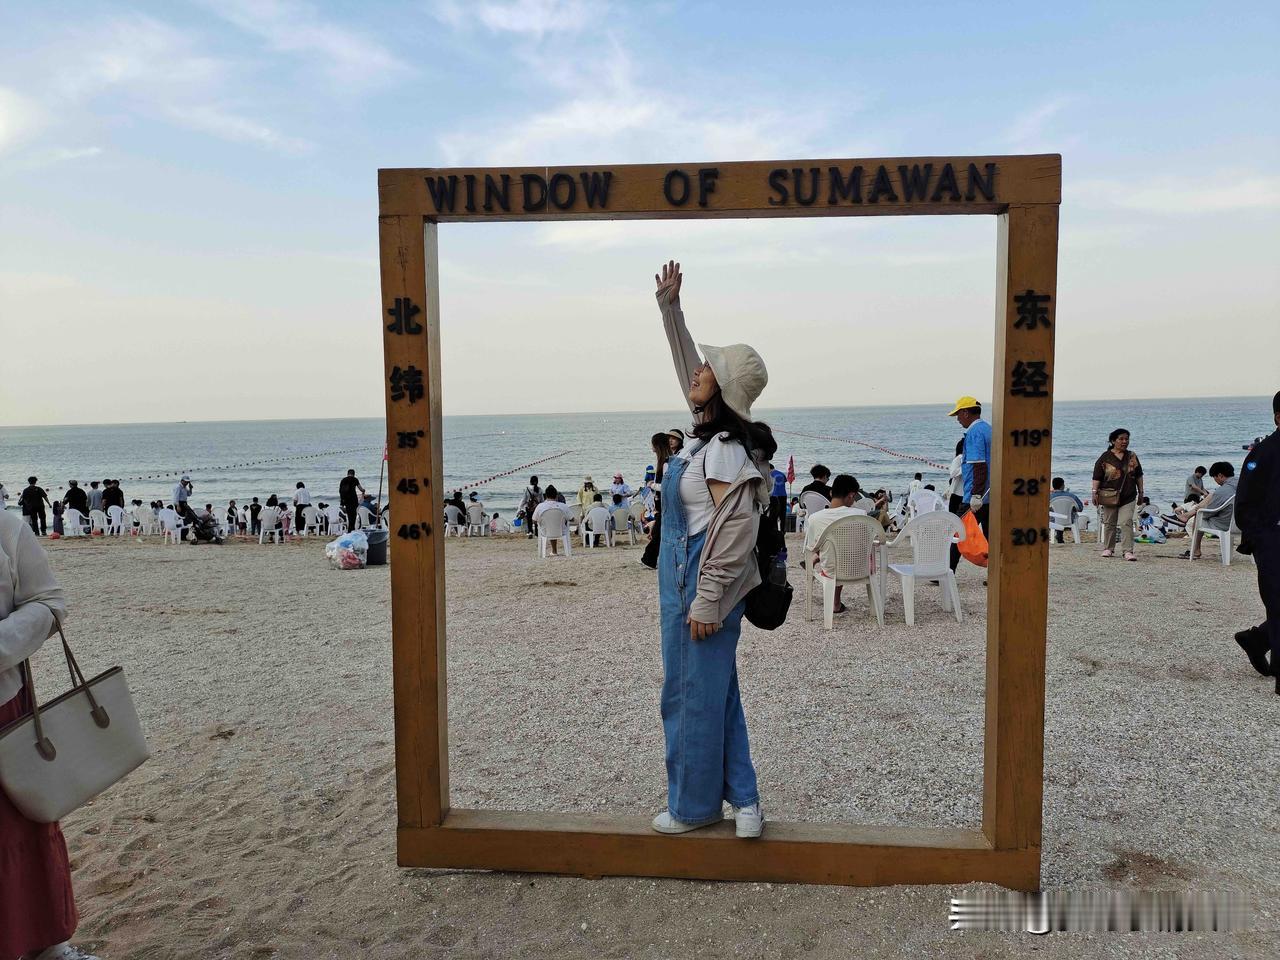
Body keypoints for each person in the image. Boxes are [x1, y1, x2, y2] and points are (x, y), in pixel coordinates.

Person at [652, 258, 770, 839]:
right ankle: (745, 801)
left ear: (722, 389)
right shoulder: (708, 438)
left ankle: (692, 809)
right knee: (714, 692)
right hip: (689, 581)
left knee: (687, 697)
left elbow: (737, 527)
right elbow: (686, 368)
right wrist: (671, 310)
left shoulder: (723, 448)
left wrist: (707, 598)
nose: (698, 370)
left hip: (698, 583)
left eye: (709, 369)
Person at [1, 508, 103, 960]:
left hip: (4, 713)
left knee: (22, 827)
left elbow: (49, 602)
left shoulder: (5, 528)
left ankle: (48, 947)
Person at [1232, 390, 1280, 693]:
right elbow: (1245, 503)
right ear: (1278, 417)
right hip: (1273, 538)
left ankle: (1258, 639)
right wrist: (1259, 537)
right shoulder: (1262, 454)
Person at [802, 474, 872, 615]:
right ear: (852, 495)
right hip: (860, 568)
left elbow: (812, 547)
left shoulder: (815, 518)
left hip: (832, 571)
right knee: (841, 549)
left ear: (831, 493)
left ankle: (834, 603)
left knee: (828, 552)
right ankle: (836, 603)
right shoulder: (861, 514)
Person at [947, 396, 991, 572]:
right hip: (991, 494)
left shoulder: (974, 433)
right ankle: (995, 574)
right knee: (991, 535)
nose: (957, 419)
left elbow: (979, 465)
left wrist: (976, 495)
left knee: (958, 533)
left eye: (958, 414)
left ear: (966, 412)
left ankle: (947, 571)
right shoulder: (988, 429)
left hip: (974, 495)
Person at [1091, 428, 1144, 561]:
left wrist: (1141, 492)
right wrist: (1094, 492)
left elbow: (1139, 475)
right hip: (1109, 495)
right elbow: (1097, 476)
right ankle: (1108, 548)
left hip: (1129, 495)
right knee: (1109, 523)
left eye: (1126, 439)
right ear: (1113, 441)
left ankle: (1127, 551)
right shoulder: (1105, 457)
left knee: (1126, 522)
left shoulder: (1132, 456)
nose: (1124, 441)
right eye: (1121, 439)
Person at [1175, 462, 1238, 559]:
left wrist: (1199, 509)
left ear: (1220, 475)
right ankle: (1187, 515)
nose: (1216, 481)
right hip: (1243, 523)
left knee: (1199, 516)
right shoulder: (1243, 484)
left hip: (1226, 524)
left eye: (1214, 478)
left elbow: (1207, 514)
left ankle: (1196, 550)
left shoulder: (1222, 491)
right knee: (1211, 495)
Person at [531, 485, 572, 554]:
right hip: (561, 531)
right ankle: (557, 551)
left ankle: (553, 551)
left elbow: (534, 521)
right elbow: (572, 519)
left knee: (549, 525)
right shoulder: (563, 506)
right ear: (556, 495)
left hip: (545, 532)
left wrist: (541, 521)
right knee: (556, 525)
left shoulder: (540, 506)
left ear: (546, 496)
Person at [1050, 477, 1085, 543]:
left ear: (1053, 486)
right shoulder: (1072, 496)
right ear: (1062, 485)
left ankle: (1059, 536)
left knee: (1056, 515)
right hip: (1069, 520)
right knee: (1067, 514)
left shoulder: (1049, 497)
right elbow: (1080, 508)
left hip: (1054, 521)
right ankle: (1059, 537)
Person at [338, 469, 364, 534]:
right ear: (354, 474)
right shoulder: (355, 479)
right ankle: (352, 529)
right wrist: (363, 490)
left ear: (347, 473)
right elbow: (360, 488)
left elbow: (340, 491)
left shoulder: (343, 480)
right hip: (353, 500)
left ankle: (350, 530)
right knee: (354, 515)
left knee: (349, 515)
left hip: (346, 501)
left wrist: (342, 502)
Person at [767, 462, 787, 534]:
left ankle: (775, 530)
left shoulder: (769, 474)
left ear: (769, 468)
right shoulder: (782, 474)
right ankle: (782, 530)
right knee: (782, 514)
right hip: (783, 495)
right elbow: (785, 481)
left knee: (774, 514)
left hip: (774, 495)